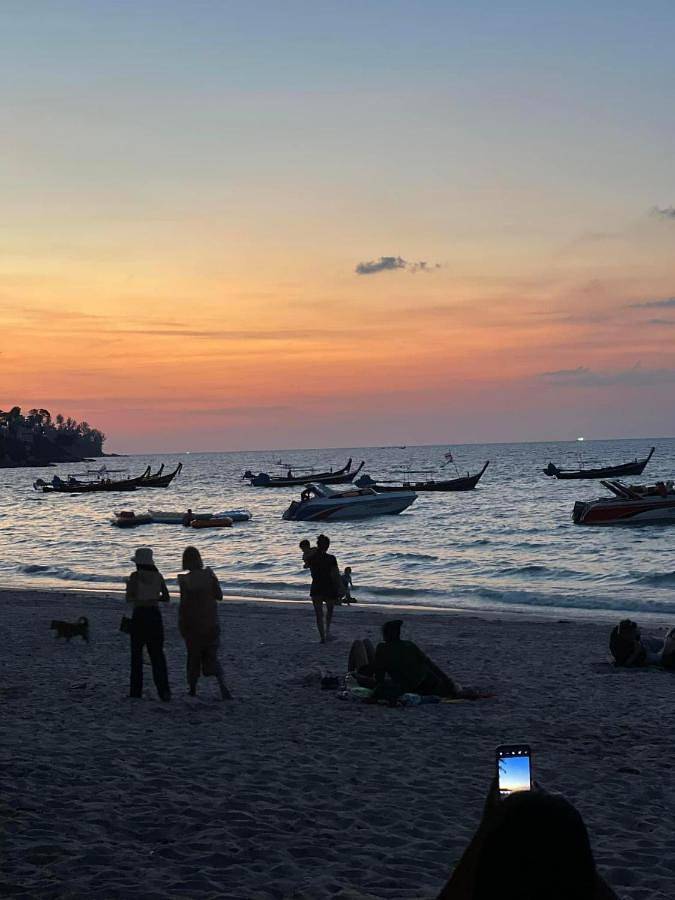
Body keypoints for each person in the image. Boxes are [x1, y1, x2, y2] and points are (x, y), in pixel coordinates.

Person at [437, 779, 618, 899]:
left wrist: (486, 826)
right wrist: (572, 854)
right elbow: (585, 878)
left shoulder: (489, 881)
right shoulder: (581, 879)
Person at [369, 619, 485, 699]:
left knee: (451, 688)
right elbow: (430, 664)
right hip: (425, 682)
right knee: (451, 687)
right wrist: (447, 681)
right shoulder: (409, 645)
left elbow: (379, 675)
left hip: (412, 685)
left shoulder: (382, 648)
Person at [178, 546, 232, 700]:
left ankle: (193, 689)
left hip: (193, 624)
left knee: (193, 658)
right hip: (211, 622)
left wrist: (181, 623)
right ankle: (223, 686)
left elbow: (183, 605)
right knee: (212, 657)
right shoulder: (209, 575)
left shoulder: (184, 580)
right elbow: (219, 595)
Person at [125, 547, 171, 701]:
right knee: (157, 655)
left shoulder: (135, 576)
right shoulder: (158, 576)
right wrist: (153, 598)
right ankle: (164, 691)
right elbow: (166, 597)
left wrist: (133, 590)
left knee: (136, 655)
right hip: (154, 614)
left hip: (139, 614)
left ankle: (135, 692)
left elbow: (129, 598)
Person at [307, 534, 341, 643]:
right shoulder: (331, 558)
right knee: (329, 611)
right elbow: (335, 575)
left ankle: (322, 637)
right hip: (329, 587)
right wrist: (340, 587)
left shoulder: (312, 558)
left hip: (316, 586)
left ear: (318, 545)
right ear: (328, 546)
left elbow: (307, 565)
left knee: (319, 614)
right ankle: (327, 631)